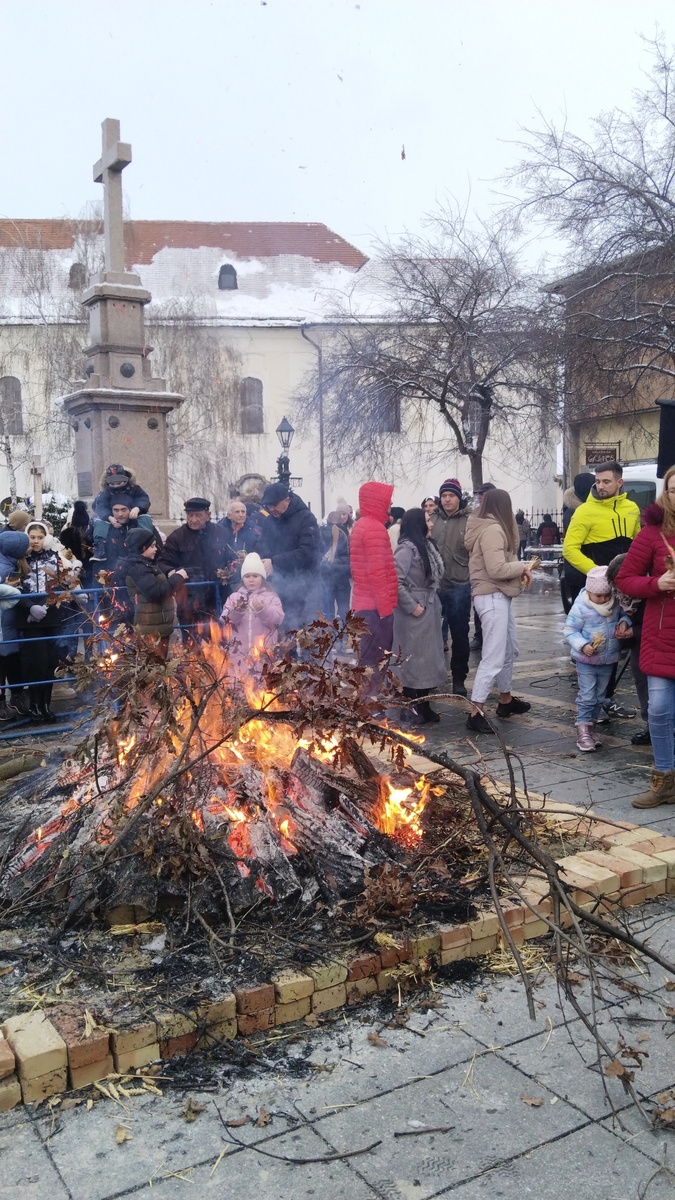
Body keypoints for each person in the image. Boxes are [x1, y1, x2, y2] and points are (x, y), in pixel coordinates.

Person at [563, 461, 641, 716]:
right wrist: (598, 574)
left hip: (626, 588)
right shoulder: (585, 511)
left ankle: (607, 700)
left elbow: (638, 546)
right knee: (597, 644)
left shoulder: (632, 508)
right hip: (600, 590)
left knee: (617, 643)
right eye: (598, 481)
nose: (600, 486)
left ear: (619, 482)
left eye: (606, 481)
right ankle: (590, 706)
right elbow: (570, 549)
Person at [616, 470, 675, 806]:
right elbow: (625, 579)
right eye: (674, 489)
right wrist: (657, 585)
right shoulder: (652, 533)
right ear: (665, 493)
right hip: (661, 633)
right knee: (660, 710)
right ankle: (664, 780)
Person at [464, 489, 533, 733]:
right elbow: (497, 568)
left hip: (497, 595)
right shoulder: (492, 529)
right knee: (493, 656)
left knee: (507, 650)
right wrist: (522, 566)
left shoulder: (488, 526)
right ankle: (476, 711)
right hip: (492, 595)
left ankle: (505, 701)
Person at [563, 565, 631, 752]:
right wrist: (582, 645)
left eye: (606, 596)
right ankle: (582, 728)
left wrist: (624, 623)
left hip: (607, 660)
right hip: (586, 661)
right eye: (599, 596)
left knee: (600, 696)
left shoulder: (615, 605)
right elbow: (570, 630)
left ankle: (592, 727)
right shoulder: (581, 608)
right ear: (589, 592)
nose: (603, 600)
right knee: (587, 695)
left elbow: (626, 615)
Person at [393, 508, 446, 724]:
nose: (431, 523)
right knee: (411, 660)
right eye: (427, 520)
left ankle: (424, 703)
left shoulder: (427, 546)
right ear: (418, 524)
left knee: (427, 660)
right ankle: (408, 706)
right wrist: (412, 606)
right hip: (413, 613)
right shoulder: (406, 550)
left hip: (428, 608)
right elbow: (395, 580)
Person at [158, 498, 237, 637]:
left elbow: (234, 558)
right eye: (190, 515)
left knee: (221, 642)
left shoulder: (222, 533)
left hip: (218, 596)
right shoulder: (177, 537)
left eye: (198, 515)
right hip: (189, 599)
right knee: (192, 644)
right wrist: (174, 573)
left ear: (208, 515)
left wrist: (229, 571)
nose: (193, 519)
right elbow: (163, 562)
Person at [349, 482, 399, 691]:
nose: (391, 503)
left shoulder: (362, 524)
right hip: (375, 608)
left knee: (366, 660)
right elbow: (377, 573)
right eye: (388, 499)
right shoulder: (374, 529)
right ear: (378, 501)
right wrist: (385, 611)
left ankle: (366, 707)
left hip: (364, 604)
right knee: (376, 661)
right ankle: (371, 710)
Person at [18, 521, 66, 723]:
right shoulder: (20, 560)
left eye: (39, 537)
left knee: (51, 663)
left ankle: (47, 704)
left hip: (52, 616)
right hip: (30, 618)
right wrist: (28, 606)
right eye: (32, 537)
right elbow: (14, 589)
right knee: (36, 662)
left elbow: (65, 579)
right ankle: (35, 706)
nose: (36, 541)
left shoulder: (54, 557)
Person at [256, 483, 321, 631]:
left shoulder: (306, 518)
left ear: (287, 500)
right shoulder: (269, 521)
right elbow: (262, 546)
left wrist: (275, 562)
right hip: (278, 584)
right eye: (269, 506)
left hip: (305, 584)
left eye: (274, 505)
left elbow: (308, 553)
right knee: (283, 631)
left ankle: (308, 655)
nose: (272, 509)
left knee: (307, 631)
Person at [430, 478, 471, 696]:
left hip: (460, 586)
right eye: (444, 495)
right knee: (433, 636)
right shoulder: (431, 519)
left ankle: (458, 678)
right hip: (435, 587)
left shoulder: (468, 521)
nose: (447, 499)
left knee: (460, 635)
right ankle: (432, 676)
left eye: (451, 496)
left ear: (458, 498)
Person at [122, 528, 186, 660]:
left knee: (159, 669)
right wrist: (178, 577)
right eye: (152, 546)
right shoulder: (138, 568)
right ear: (142, 547)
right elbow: (156, 593)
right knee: (152, 670)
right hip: (150, 631)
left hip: (158, 628)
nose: (156, 549)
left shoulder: (147, 565)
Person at [606, 553, 650, 745]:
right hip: (638, 648)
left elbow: (658, 624)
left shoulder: (651, 592)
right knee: (642, 684)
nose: (620, 592)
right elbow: (627, 611)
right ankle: (651, 725)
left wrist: (634, 632)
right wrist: (625, 622)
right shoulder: (623, 596)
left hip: (657, 645)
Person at [221, 552, 284, 671]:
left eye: (255, 576)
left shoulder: (271, 597)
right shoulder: (234, 597)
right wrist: (237, 612)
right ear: (242, 578)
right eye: (247, 576)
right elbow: (225, 620)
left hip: (264, 655)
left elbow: (277, 620)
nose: (251, 580)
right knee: (239, 686)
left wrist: (262, 610)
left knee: (263, 686)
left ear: (262, 577)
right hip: (238, 656)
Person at [0, 529, 29, 720]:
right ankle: (6, 702)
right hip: (4, 623)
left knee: (10, 660)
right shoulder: (4, 567)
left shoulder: (9, 562)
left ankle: (12, 700)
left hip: (9, 623)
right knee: (5, 662)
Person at [469, 482, 497, 651]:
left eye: (483, 494)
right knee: (479, 606)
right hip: (479, 567)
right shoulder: (476, 516)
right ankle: (480, 636)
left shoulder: (500, 515)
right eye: (479, 494)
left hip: (495, 566)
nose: (480, 497)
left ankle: (491, 637)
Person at [218, 498, 261, 585]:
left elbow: (261, 550)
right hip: (227, 578)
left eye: (243, 512)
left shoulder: (255, 531)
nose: (241, 515)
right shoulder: (219, 531)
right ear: (229, 515)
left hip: (249, 575)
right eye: (237, 512)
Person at [319, 511, 351, 621]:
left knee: (327, 612)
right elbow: (349, 558)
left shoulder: (320, 533)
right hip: (342, 578)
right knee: (343, 611)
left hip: (325, 578)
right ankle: (343, 636)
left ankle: (328, 635)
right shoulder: (345, 534)